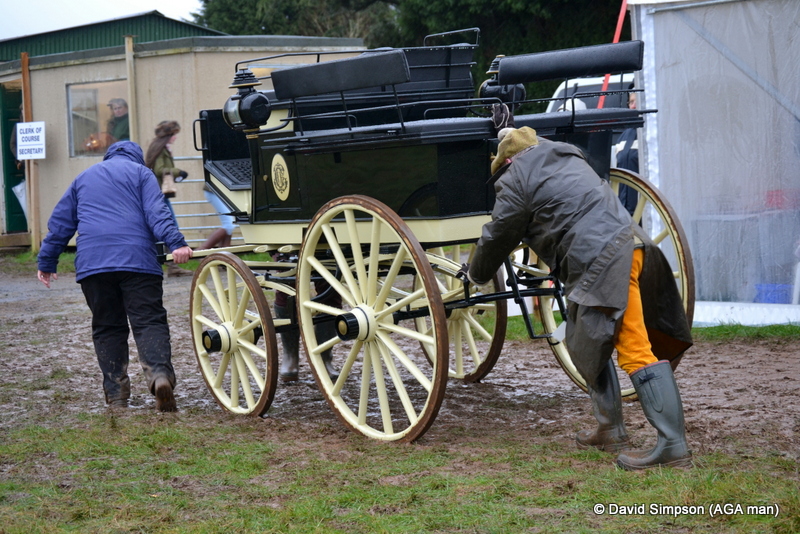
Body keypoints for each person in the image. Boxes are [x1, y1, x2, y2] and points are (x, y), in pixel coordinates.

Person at [462, 125, 694, 470]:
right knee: (584, 336)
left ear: (508, 160)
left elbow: (499, 235)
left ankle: (673, 446)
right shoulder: (569, 158)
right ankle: (609, 427)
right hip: (634, 245)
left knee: (633, 347)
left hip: (602, 261)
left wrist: (475, 273)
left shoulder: (515, 179)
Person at [36, 140, 194, 412]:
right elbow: (157, 213)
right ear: (136, 158)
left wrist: (47, 260)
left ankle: (117, 394)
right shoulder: (141, 174)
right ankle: (159, 377)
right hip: (138, 262)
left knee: (107, 326)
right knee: (149, 321)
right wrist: (176, 243)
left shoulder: (83, 178)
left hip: (93, 265)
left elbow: (61, 223)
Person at [145, 120, 192, 277]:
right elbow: (159, 170)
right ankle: (173, 266)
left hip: (157, 193)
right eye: (174, 134)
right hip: (159, 194)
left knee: (165, 226)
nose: (176, 138)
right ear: (168, 135)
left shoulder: (159, 148)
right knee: (170, 225)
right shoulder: (161, 150)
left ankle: (171, 265)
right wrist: (178, 172)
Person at [613, 84, 639, 215]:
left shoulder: (651, 135)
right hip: (624, 211)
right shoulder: (623, 137)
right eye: (631, 102)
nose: (633, 106)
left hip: (644, 210)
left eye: (637, 101)